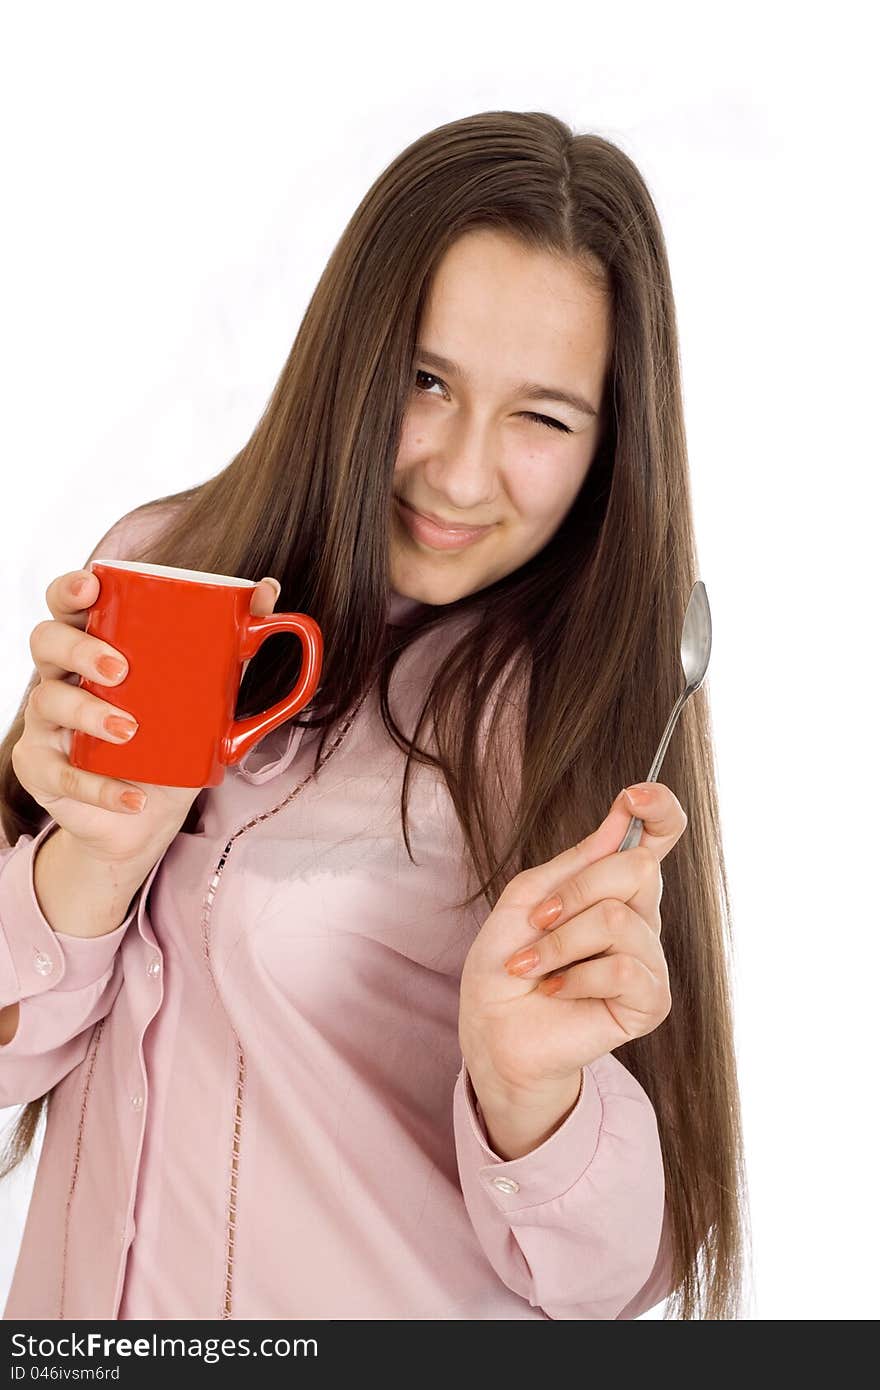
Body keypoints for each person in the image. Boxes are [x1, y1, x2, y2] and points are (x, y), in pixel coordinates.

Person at [0, 110, 749, 1320]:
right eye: (425, 380)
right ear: (352, 355)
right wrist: (83, 860)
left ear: (612, 447)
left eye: (543, 418)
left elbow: (611, 1279)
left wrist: (526, 1089)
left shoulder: (581, 711)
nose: (458, 473)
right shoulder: (160, 570)